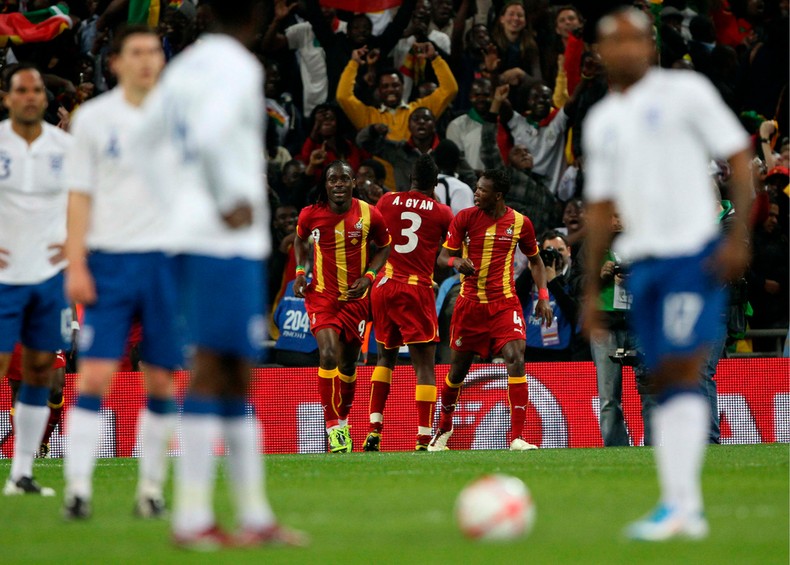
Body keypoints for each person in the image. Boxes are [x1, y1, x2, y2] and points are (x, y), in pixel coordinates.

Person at [135, 0, 306, 549]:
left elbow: (151, 147)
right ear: (254, 18)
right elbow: (208, 138)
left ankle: (253, 518)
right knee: (215, 367)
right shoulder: (236, 66)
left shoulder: (183, 67)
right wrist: (226, 198)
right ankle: (192, 521)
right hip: (222, 240)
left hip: (192, 235)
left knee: (233, 372)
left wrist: (174, 209)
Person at [582, 8, 752, 541]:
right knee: (658, 377)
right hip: (640, 264)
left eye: (637, 39)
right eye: (617, 41)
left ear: (651, 47)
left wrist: (738, 236)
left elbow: (740, 157)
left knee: (679, 372)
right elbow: (599, 206)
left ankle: (682, 505)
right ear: (601, 54)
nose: (627, 49)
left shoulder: (687, 93)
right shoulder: (602, 121)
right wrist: (590, 286)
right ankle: (680, 503)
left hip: (689, 256)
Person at [61, 26, 181, 520]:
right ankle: (77, 490)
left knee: (162, 383)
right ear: (115, 63)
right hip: (108, 263)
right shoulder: (93, 120)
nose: (147, 61)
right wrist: (75, 264)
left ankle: (150, 490)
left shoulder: (179, 118)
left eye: (154, 52)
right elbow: (78, 196)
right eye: (136, 53)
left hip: (166, 265)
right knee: (94, 377)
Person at [428, 169, 553, 452]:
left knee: (515, 357)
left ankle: (516, 438)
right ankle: (443, 430)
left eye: (482, 190)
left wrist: (542, 297)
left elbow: (535, 261)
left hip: (504, 303)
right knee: (457, 372)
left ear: (497, 195)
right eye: (476, 188)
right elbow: (443, 256)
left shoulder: (520, 223)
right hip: (470, 305)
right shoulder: (465, 219)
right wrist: (456, 262)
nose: (475, 193)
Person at [0, 64, 73, 497]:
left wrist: (74, 244)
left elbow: (81, 201)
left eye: (36, 90)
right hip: (5, 277)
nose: (29, 96)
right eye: (20, 90)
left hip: (49, 278)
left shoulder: (65, 147)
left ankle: (21, 472)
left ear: (45, 98)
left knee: (41, 371)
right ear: (8, 98)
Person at [293, 160, 391, 453]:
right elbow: (299, 242)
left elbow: (384, 246)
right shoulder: (310, 214)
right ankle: (334, 427)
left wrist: (369, 277)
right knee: (328, 354)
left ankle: (344, 420)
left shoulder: (369, 214)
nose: (338, 184)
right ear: (326, 185)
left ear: (353, 183)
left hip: (355, 300)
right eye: (333, 179)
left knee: (349, 365)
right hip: (322, 297)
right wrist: (300, 272)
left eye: (344, 179)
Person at [364, 154, 454, 452]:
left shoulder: (388, 200)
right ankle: (423, 438)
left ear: (411, 178)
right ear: (435, 181)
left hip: (384, 285)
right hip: (415, 289)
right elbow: (451, 247)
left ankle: (374, 430)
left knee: (384, 359)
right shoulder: (442, 211)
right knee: (424, 366)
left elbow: (374, 237)